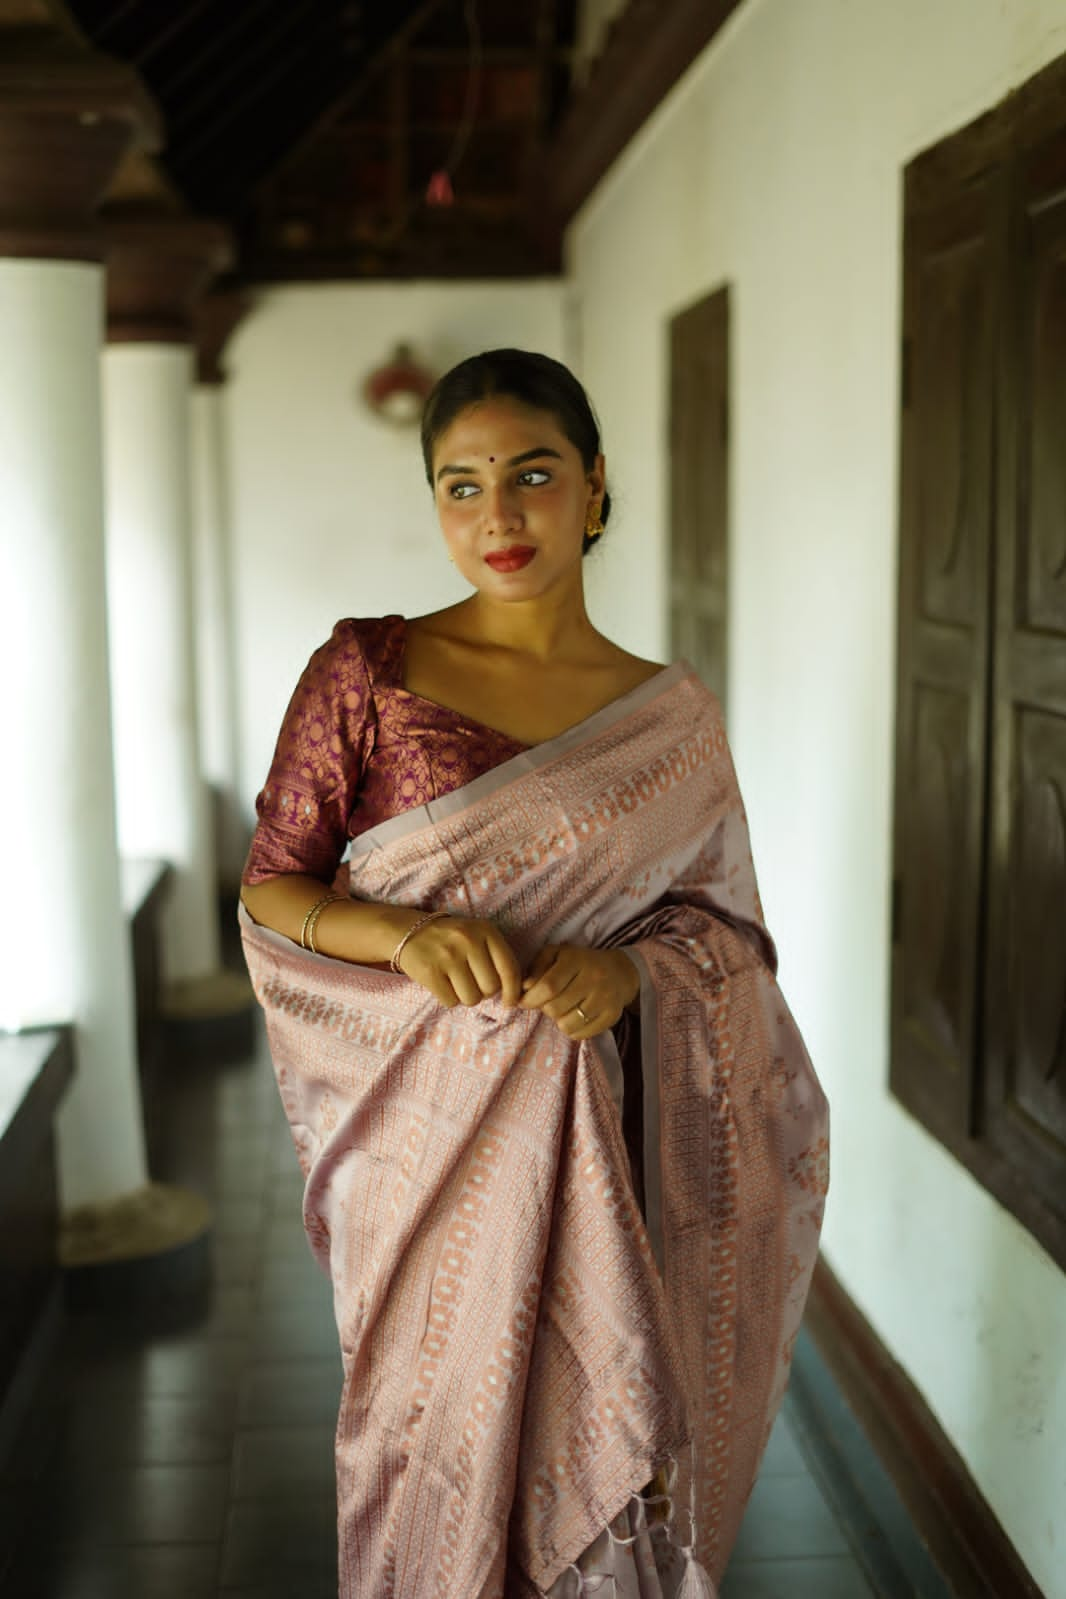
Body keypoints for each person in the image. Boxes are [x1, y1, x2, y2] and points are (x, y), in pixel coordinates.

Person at [240, 349, 829, 1599]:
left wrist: (632, 981)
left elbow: (726, 939)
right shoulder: (369, 670)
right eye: (460, 486)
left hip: (609, 1144)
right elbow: (275, 886)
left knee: (605, 1454)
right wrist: (400, 938)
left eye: (531, 475)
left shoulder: (666, 717)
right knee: (427, 1447)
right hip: (428, 1160)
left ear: (595, 488)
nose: (496, 515)